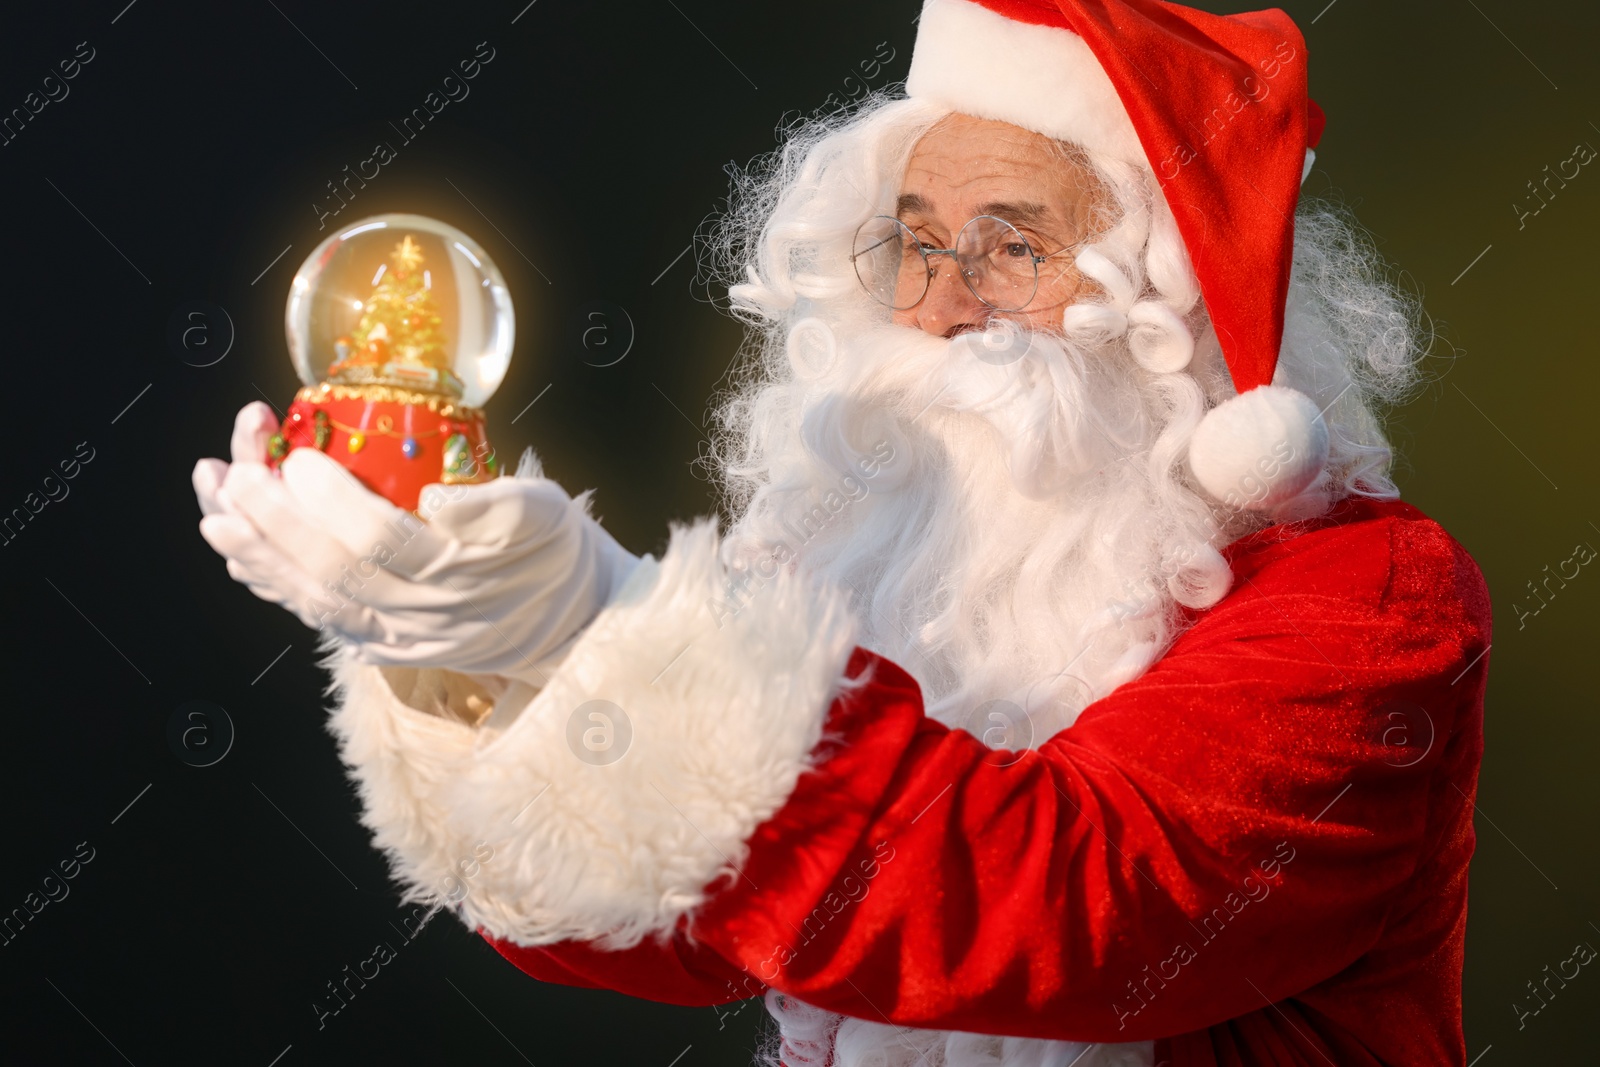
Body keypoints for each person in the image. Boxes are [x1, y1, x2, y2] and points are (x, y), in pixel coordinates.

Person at [192, 1, 1490, 1064]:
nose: (938, 306)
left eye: (1014, 247)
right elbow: (660, 925)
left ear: (1177, 311)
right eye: (915, 246)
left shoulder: (1365, 596)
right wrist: (481, 646)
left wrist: (613, 624)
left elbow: (1072, 915)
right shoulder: (879, 562)